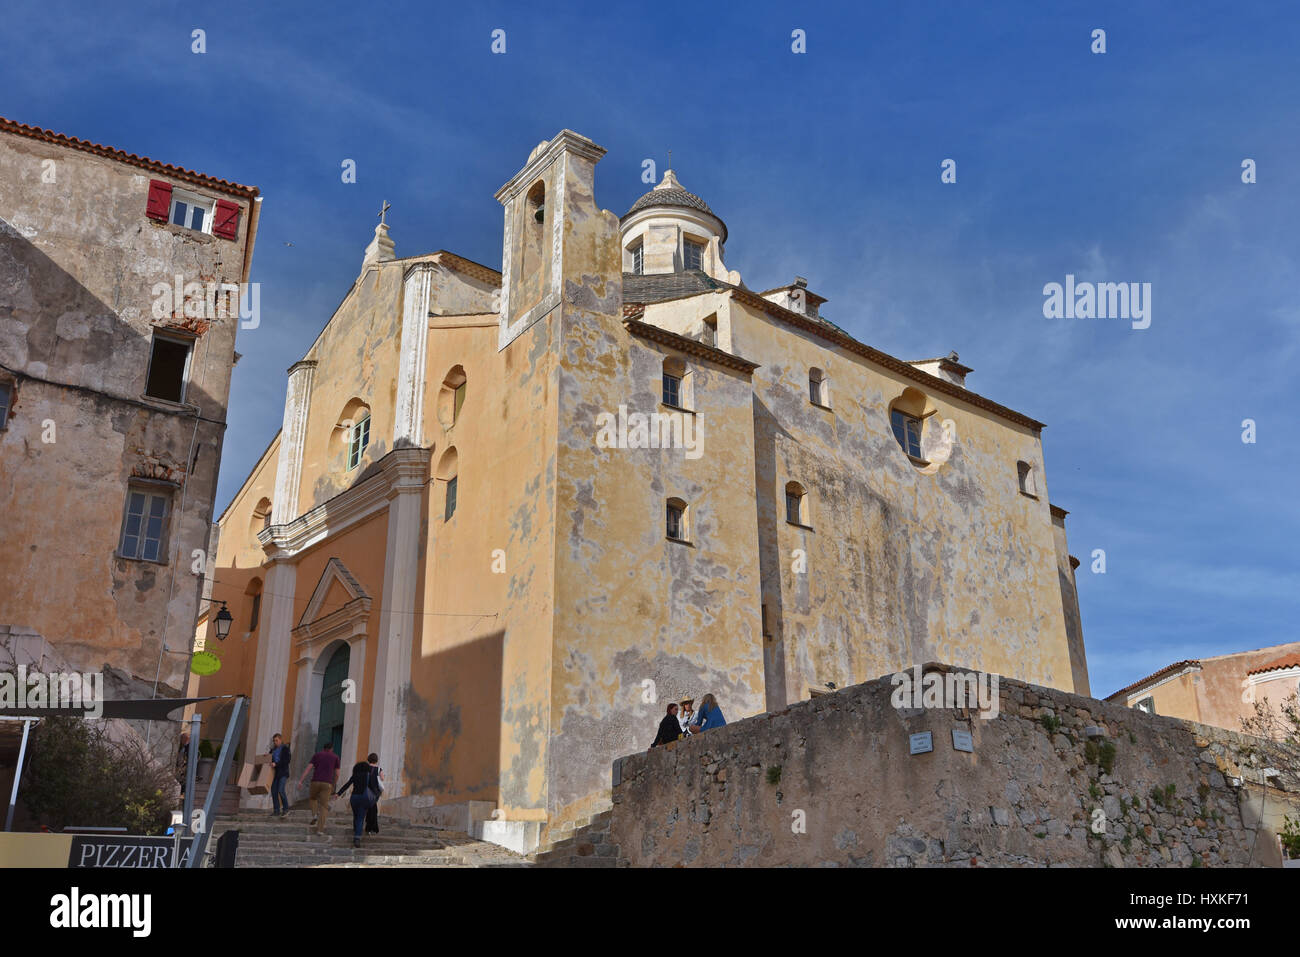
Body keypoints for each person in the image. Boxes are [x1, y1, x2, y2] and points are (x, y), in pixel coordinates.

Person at [297, 741, 340, 835]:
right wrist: (334, 784)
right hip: (327, 783)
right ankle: (320, 830)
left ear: (323, 748)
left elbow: (308, 769)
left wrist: (301, 781)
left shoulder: (317, 755)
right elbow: (337, 774)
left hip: (315, 781)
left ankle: (314, 814)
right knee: (324, 806)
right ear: (332, 749)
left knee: (312, 798)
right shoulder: (335, 757)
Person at [336, 759, 378, 848]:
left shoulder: (355, 775)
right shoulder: (368, 775)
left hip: (354, 798)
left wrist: (338, 793)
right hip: (364, 797)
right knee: (360, 818)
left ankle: (356, 830)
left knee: (356, 816)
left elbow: (347, 785)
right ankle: (357, 838)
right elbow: (374, 788)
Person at [268, 733, 292, 818]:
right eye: (274, 741)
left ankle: (286, 809)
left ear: (280, 740)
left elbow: (287, 760)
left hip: (283, 772)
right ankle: (276, 810)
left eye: (276, 740)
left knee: (280, 790)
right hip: (274, 774)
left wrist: (276, 764)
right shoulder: (273, 750)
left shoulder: (285, 748)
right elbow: (269, 758)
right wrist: (266, 757)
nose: (275, 742)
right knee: (274, 791)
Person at [364, 753, 384, 835]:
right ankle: (372, 828)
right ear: (376, 760)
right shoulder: (379, 769)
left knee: (370, 809)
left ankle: (369, 828)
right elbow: (382, 779)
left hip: (366, 791)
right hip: (375, 792)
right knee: (373, 809)